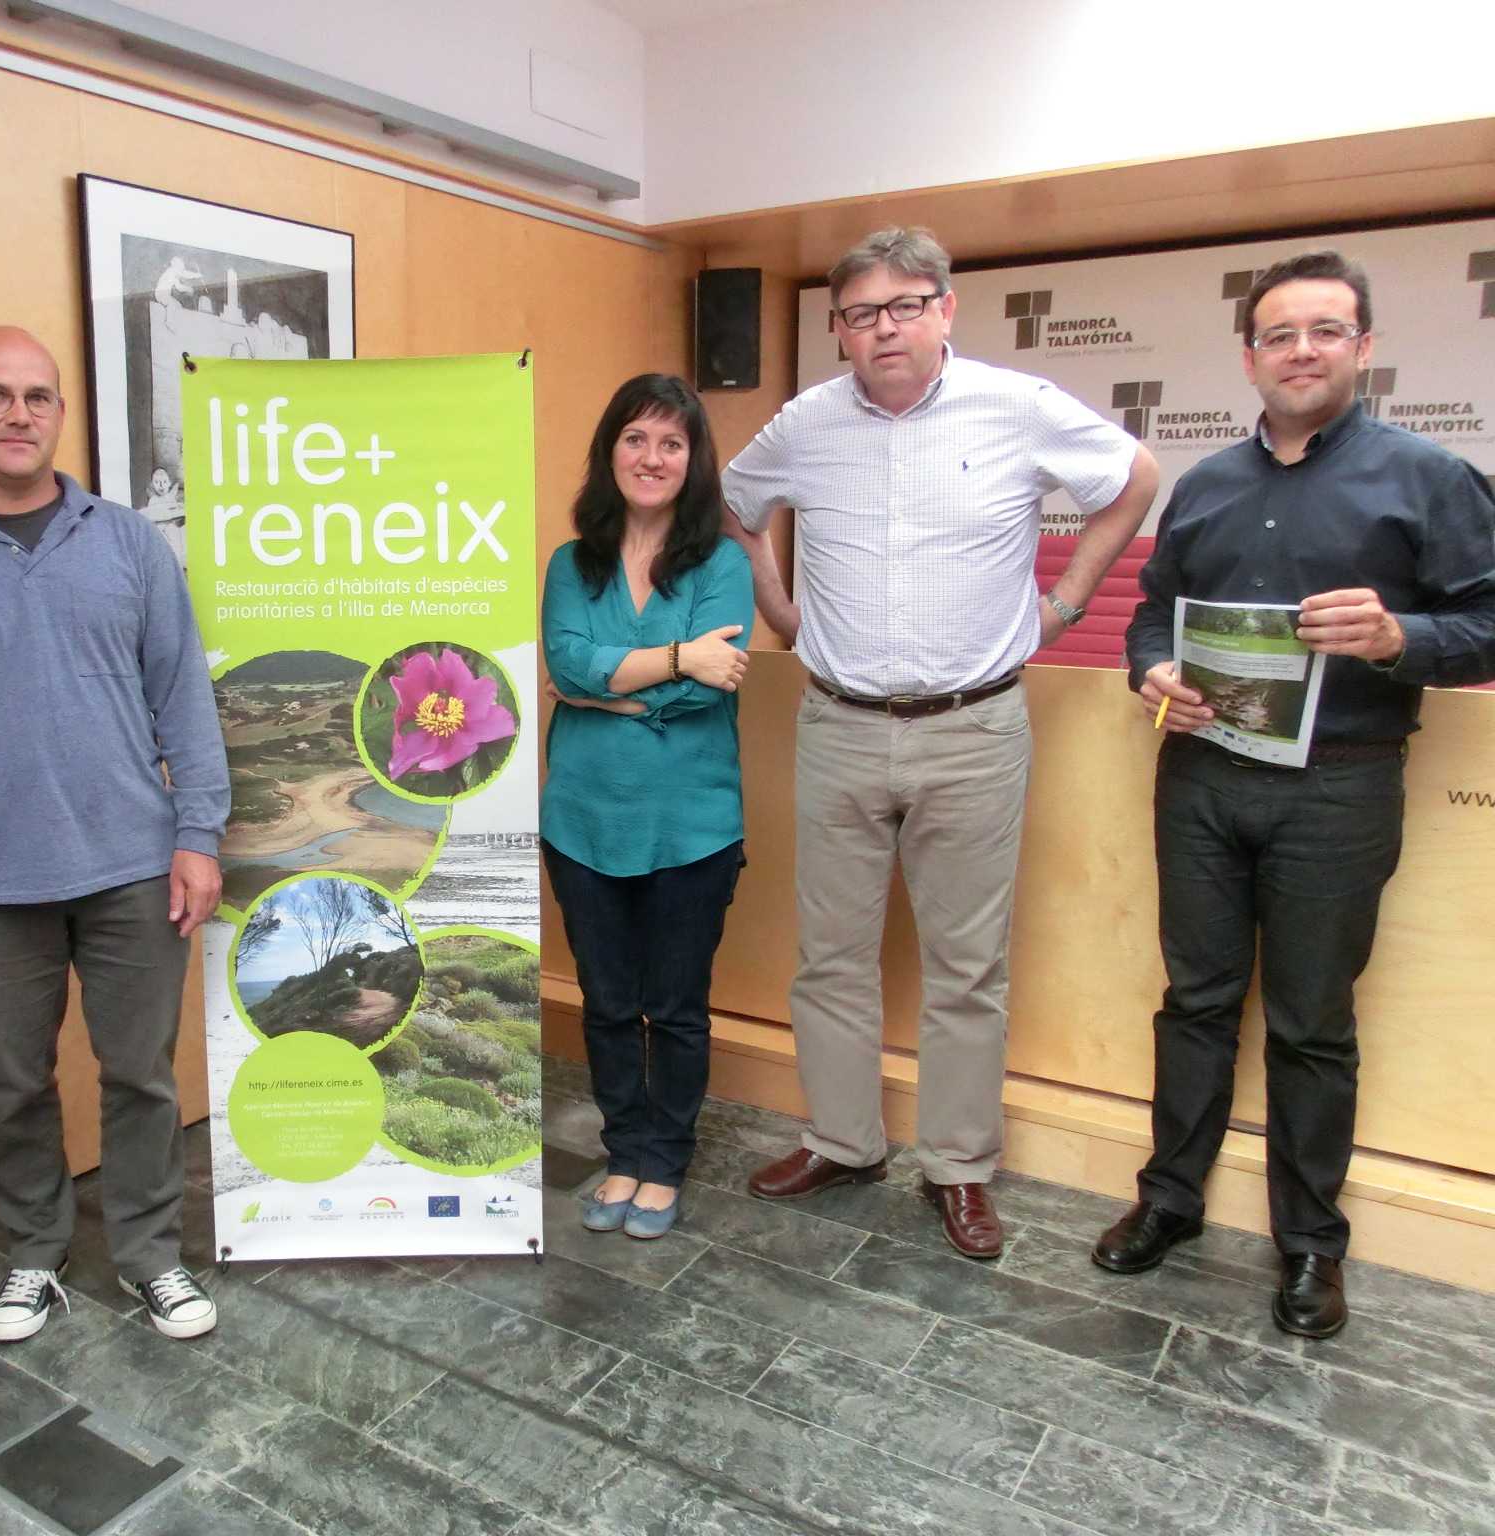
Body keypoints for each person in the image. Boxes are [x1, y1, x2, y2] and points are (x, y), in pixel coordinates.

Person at [724, 227, 1160, 1259]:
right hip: (836, 723)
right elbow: (736, 505)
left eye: (904, 304)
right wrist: (782, 611)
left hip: (972, 727)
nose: (884, 328)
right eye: (861, 313)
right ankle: (841, 1138)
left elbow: (1132, 477)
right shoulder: (804, 423)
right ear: (836, 328)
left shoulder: (1013, 406)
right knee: (828, 956)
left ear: (942, 309)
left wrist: (1060, 602)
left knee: (967, 967)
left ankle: (957, 1168)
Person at [1092, 251, 1495, 1337]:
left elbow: (1487, 626)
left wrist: (1398, 636)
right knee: (1194, 1002)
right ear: (1249, 356)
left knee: (1312, 1026)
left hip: (1338, 790)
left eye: (1324, 330)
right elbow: (1147, 617)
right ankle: (1167, 1202)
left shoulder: (1427, 479)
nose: (1300, 349)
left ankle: (1311, 1247)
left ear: (1360, 348)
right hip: (1201, 780)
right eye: (1279, 334)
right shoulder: (1205, 484)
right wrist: (1151, 674)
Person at [0, 326, 229, 1344]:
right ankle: (32, 1255)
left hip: (132, 869)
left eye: (37, 396)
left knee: (140, 1076)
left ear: (60, 413)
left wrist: (197, 833)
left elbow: (183, 702)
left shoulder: (126, 543)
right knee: (13, 1083)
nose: (18, 414)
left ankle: (149, 1257)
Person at [541, 373, 754, 1239]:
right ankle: (623, 1151)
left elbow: (714, 688)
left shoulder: (723, 562)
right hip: (583, 820)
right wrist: (672, 661)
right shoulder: (571, 563)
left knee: (674, 1006)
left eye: (672, 443)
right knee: (604, 1002)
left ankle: (664, 1162)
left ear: (693, 461)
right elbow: (564, 665)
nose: (652, 457)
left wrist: (609, 689)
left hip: (691, 825)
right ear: (610, 451)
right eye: (636, 439)